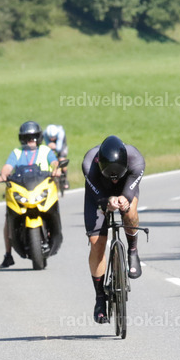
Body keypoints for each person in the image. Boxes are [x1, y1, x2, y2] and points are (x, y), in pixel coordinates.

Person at [82, 135, 145, 324]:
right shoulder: (89, 164)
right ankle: (100, 297)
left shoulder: (136, 160)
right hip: (98, 193)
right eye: (111, 176)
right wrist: (106, 200)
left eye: (118, 175)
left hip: (128, 188)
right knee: (97, 243)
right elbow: (94, 191)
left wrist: (124, 197)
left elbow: (130, 186)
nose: (115, 181)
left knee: (130, 211)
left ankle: (132, 250)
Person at [0, 121, 59, 268]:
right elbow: (7, 167)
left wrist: (57, 170)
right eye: (27, 137)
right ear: (22, 139)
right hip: (23, 189)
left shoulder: (45, 151)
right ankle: (8, 254)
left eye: (34, 137)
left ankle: (53, 233)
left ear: (39, 137)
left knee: (52, 209)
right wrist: (3, 175)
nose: (31, 140)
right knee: (8, 218)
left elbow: (55, 163)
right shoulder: (17, 152)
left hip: (42, 189)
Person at [44, 124, 69, 190]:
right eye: (51, 137)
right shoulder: (45, 134)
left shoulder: (61, 133)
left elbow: (59, 147)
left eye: (53, 137)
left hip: (61, 145)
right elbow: (47, 144)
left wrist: (53, 146)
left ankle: (65, 179)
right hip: (51, 145)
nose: (52, 139)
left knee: (62, 159)